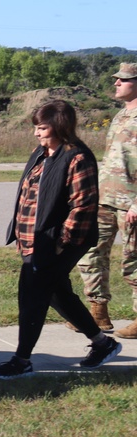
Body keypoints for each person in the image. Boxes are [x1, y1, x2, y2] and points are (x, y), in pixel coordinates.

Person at [0, 100, 123, 379]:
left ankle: (22, 360)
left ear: (60, 127)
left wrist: (62, 242)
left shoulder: (77, 157)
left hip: (58, 243)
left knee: (32, 297)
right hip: (32, 239)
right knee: (55, 293)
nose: (36, 133)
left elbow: (83, 206)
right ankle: (102, 343)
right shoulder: (41, 153)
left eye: (42, 128)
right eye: (36, 128)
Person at [76, 62, 137, 339]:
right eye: (117, 79)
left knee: (133, 260)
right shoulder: (120, 116)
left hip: (131, 203)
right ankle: (98, 312)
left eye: (123, 80)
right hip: (105, 199)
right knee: (89, 252)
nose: (116, 83)